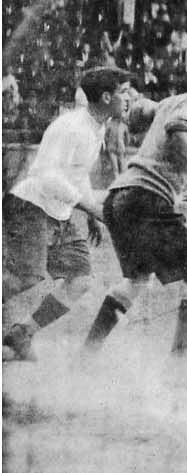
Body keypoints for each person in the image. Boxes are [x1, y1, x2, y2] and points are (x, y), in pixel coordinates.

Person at [83, 47, 187, 359]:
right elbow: (179, 126)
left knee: (137, 280)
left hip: (118, 197)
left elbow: (142, 114)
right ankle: (178, 366)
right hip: (147, 198)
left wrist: (144, 107)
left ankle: (86, 356)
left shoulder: (173, 101)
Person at [3, 67, 138, 361]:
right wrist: (90, 208)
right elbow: (45, 176)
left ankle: (21, 334)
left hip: (58, 212)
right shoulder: (71, 127)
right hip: (30, 206)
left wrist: (90, 213)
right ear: (106, 97)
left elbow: (77, 174)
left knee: (80, 280)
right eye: (125, 92)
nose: (130, 98)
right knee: (25, 278)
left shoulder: (97, 127)